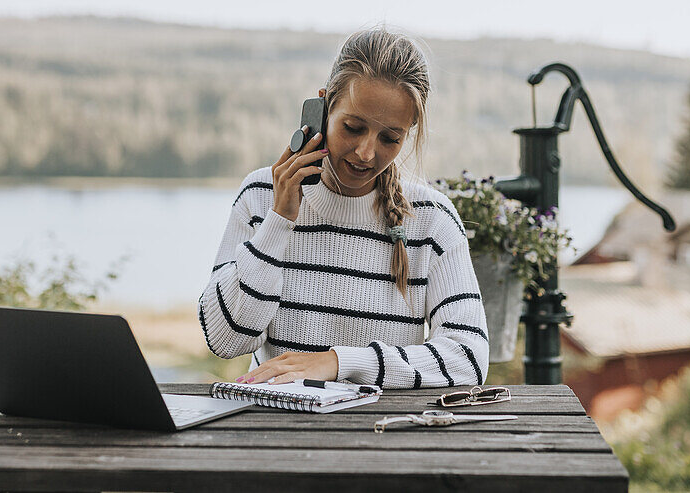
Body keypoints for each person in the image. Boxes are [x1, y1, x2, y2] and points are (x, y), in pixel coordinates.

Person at [197, 28, 489, 389]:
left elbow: (469, 359)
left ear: (409, 130)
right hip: (276, 434)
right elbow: (226, 341)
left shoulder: (432, 219)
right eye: (353, 127)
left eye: (389, 138)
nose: (367, 153)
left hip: (383, 434)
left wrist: (340, 362)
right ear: (324, 105)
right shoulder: (260, 194)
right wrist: (278, 222)